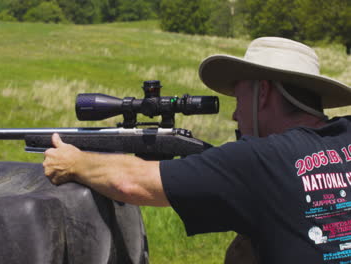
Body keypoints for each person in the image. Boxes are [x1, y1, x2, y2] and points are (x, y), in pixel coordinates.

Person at [43, 37, 351, 263]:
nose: (234, 115)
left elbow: (132, 182)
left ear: (263, 95)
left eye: (239, 100)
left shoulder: (260, 160)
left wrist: (73, 162)